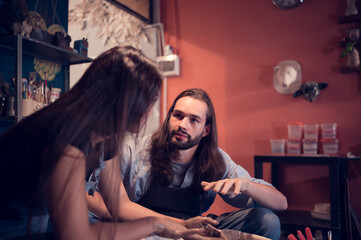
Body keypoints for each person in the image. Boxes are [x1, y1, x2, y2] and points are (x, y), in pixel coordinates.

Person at [0, 47, 222, 240]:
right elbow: (76, 237)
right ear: (126, 101)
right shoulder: (67, 145)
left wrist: (179, 225)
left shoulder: (108, 139)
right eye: (149, 101)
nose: (152, 111)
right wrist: (155, 225)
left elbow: (119, 204)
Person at [118, 88, 288, 240]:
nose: (182, 125)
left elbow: (281, 203)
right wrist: (178, 227)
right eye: (178, 116)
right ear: (169, 117)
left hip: (195, 227)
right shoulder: (134, 151)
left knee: (267, 220)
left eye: (193, 120)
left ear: (206, 130)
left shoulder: (216, 159)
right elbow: (105, 205)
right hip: (147, 227)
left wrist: (245, 185)